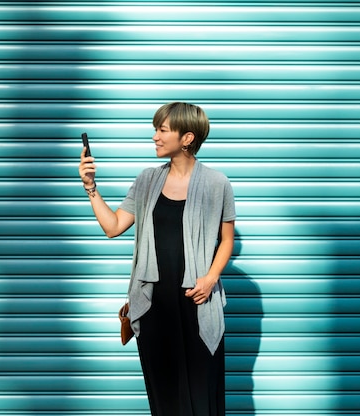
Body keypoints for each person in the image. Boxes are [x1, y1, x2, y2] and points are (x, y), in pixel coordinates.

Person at [78, 102, 236, 416]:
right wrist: (90, 187)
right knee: (164, 401)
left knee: (202, 395)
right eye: (156, 129)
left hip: (197, 303)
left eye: (162, 130)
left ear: (187, 138)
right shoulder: (147, 180)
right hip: (154, 306)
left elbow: (227, 240)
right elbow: (113, 227)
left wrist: (210, 278)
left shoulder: (218, 184)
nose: (155, 137)